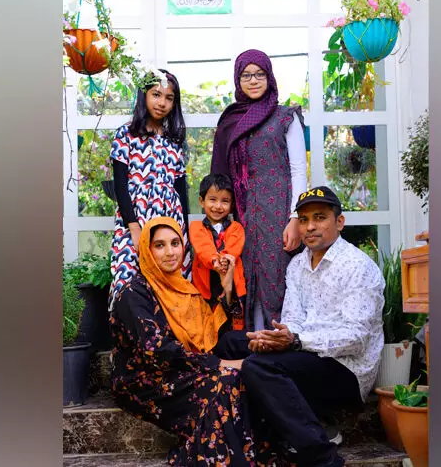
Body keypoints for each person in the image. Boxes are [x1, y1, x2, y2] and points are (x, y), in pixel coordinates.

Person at [215, 186, 385, 467]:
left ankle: (323, 457)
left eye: (320, 217)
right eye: (303, 220)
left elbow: (356, 339)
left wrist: (295, 341)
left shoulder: (358, 266)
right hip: (306, 353)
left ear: (339, 222)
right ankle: (303, 424)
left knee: (260, 367)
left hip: (346, 369)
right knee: (231, 342)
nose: (310, 227)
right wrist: (273, 339)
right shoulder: (297, 265)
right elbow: (292, 320)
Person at [110, 216, 262, 466]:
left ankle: (239, 453)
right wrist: (220, 364)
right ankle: (216, 458)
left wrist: (227, 288)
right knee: (225, 380)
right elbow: (157, 350)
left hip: (181, 368)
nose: (170, 252)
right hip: (144, 379)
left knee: (241, 374)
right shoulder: (133, 293)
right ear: (146, 250)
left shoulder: (184, 288)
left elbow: (210, 334)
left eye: (175, 243)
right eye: (159, 245)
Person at [210, 49, 308, 331]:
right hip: (242, 218)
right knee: (245, 279)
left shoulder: (285, 117)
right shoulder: (232, 120)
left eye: (259, 74)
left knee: (279, 279)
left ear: (270, 77)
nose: (253, 80)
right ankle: (253, 345)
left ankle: (284, 343)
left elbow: (298, 170)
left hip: (278, 215)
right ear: (237, 80)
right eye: (246, 75)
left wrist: (295, 218)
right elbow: (220, 175)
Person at [108, 69, 192, 309]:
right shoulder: (126, 134)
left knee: (170, 288)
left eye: (169, 98)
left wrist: (184, 234)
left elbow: (181, 192)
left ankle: (166, 332)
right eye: (156, 95)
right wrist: (133, 227)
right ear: (143, 95)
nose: (162, 102)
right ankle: (132, 332)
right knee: (127, 280)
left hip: (170, 220)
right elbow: (120, 186)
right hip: (135, 220)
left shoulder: (174, 141)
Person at [189, 173, 247, 331]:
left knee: (232, 327)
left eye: (225, 201)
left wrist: (225, 260)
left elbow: (234, 247)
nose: (218, 206)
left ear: (231, 204)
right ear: (202, 201)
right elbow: (203, 247)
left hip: (231, 285)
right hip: (206, 288)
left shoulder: (236, 227)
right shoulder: (196, 227)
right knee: (208, 326)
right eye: (212, 199)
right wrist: (214, 260)